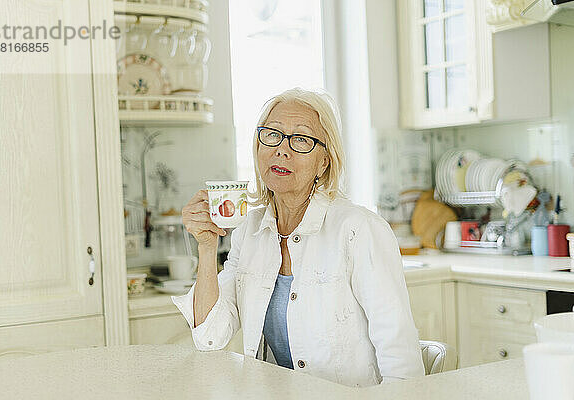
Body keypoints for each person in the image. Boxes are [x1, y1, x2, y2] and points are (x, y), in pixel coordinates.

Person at [172, 87, 425, 387]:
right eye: (273, 134)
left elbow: (401, 360)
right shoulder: (249, 232)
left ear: (324, 161)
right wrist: (206, 246)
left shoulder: (359, 229)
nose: (282, 149)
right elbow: (210, 339)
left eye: (301, 139)